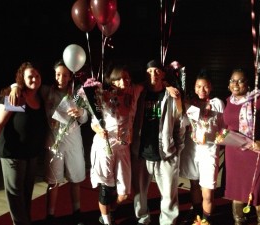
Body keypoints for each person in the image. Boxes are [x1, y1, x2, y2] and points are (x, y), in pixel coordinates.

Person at [10, 59, 88, 225]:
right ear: (54, 75)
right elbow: (26, 87)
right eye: (58, 74)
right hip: (54, 145)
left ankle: (77, 212)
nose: (61, 78)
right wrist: (14, 86)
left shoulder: (77, 93)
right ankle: (50, 216)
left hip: (73, 144)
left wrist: (80, 112)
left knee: (75, 180)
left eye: (65, 75)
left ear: (70, 76)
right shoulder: (46, 91)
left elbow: (86, 116)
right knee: (53, 182)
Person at [0, 62, 48, 225]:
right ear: (22, 78)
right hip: (13, 154)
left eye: (37, 76)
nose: (34, 79)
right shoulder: (17, 98)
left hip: (31, 155)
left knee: (26, 195)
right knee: (16, 197)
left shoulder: (40, 97)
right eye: (30, 76)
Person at [222, 68, 260, 225]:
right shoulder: (228, 101)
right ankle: (239, 221)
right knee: (237, 193)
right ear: (228, 84)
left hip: (258, 154)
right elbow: (226, 126)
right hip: (234, 156)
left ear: (248, 83)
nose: (236, 84)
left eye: (240, 80)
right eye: (232, 80)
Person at [131, 59, 186, 225]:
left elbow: (180, 121)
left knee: (169, 193)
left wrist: (177, 147)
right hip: (141, 151)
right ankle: (142, 219)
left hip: (166, 152)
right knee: (139, 193)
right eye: (149, 71)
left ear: (163, 73)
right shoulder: (139, 93)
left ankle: (167, 222)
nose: (153, 74)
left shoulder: (171, 95)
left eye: (156, 71)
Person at [88, 64, 144, 225]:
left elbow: (150, 83)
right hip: (105, 146)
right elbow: (93, 122)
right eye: (119, 78)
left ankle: (111, 210)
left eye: (126, 77)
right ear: (111, 81)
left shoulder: (134, 91)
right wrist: (99, 130)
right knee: (106, 188)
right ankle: (106, 220)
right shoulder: (102, 95)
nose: (123, 81)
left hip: (124, 148)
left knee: (124, 192)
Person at [180, 70, 225, 225]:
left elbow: (224, 127)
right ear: (194, 87)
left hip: (209, 152)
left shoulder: (217, 103)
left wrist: (222, 136)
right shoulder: (189, 103)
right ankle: (197, 212)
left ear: (210, 87)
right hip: (192, 150)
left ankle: (206, 220)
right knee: (193, 185)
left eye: (205, 87)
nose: (201, 90)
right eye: (198, 86)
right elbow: (183, 125)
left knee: (207, 191)